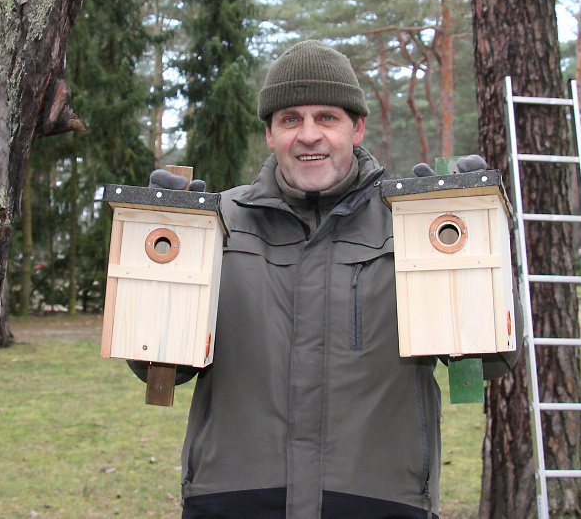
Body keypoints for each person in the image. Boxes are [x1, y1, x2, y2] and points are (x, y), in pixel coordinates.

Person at [145, 40, 519, 519]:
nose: (308, 135)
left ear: (357, 128)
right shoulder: (220, 224)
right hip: (234, 499)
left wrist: (484, 244)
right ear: (270, 133)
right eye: (290, 119)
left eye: (327, 118)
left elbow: (487, 362)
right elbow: (164, 370)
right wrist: (163, 266)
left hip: (376, 500)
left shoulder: (408, 225)